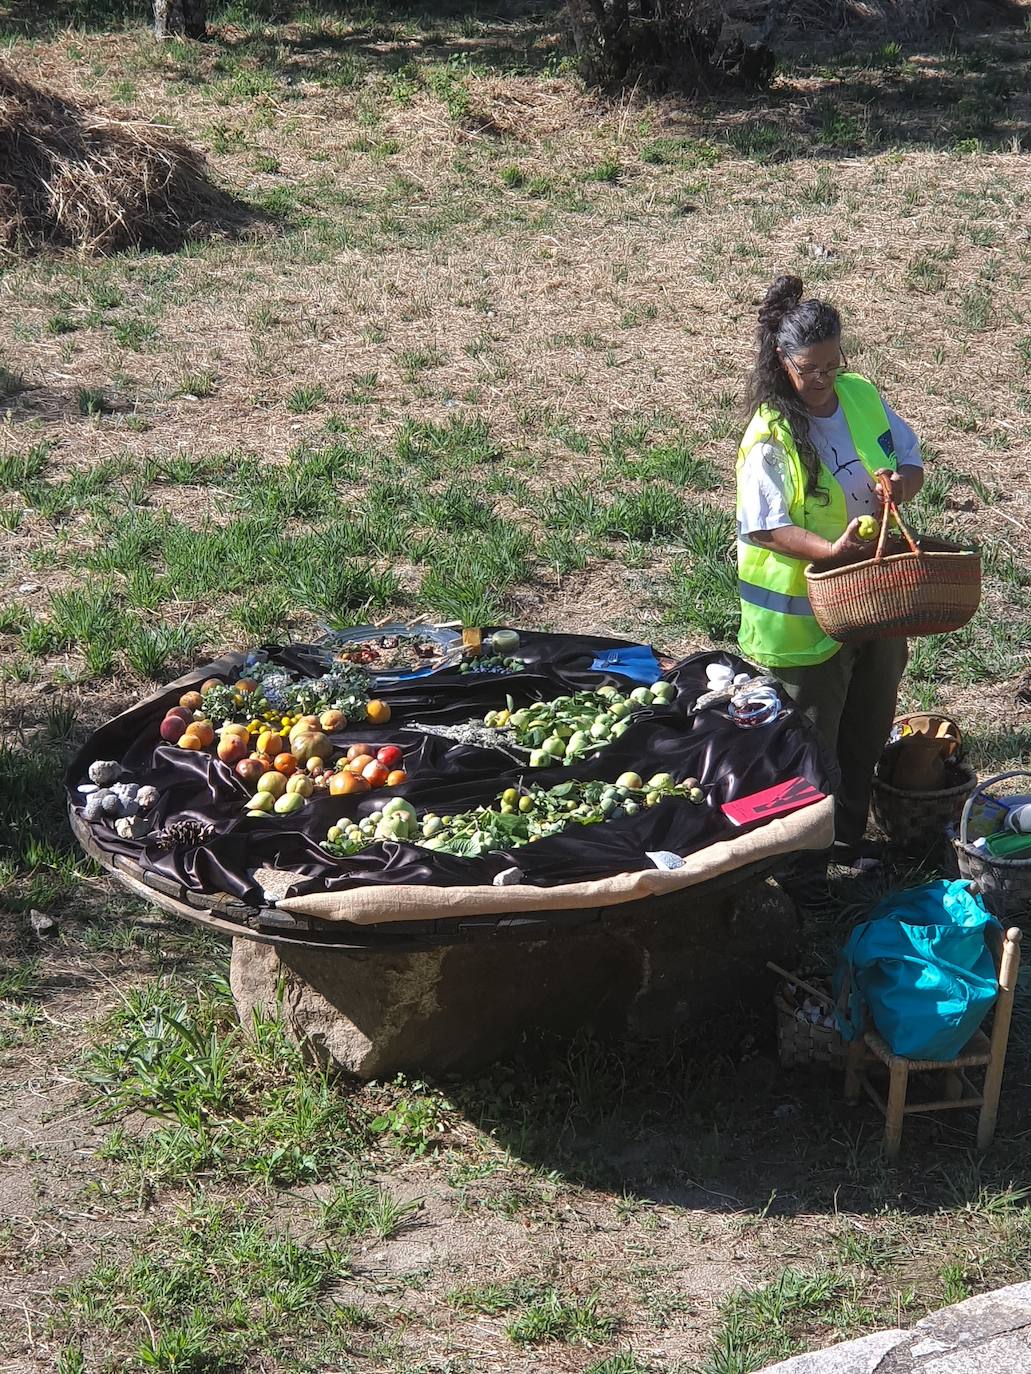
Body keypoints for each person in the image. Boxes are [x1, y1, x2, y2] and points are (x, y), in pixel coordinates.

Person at [736, 274, 925, 870]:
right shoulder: (770, 433)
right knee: (814, 741)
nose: (821, 380)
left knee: (868, 723)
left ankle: (849, 841)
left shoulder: (861, 396)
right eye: (807, 369)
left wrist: (901, 485)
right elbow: (764, 526)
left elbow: (911, 459)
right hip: (805, 616)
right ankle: (805, 865)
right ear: (781, 361)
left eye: (830, 363)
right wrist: (828, 549)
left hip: (875, 595)